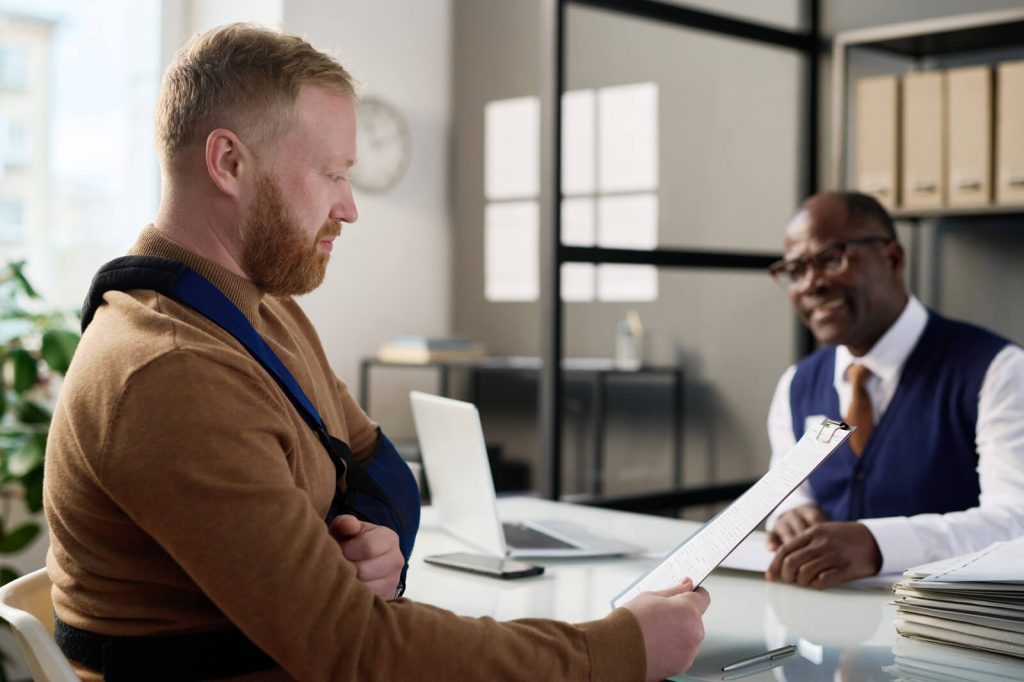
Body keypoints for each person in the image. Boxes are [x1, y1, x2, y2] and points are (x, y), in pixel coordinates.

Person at [42, 23, 709, 682]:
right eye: (332, 173)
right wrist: (617, 651)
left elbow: (374, 457)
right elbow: (356, 651)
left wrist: (377, 536)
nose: (350, 207)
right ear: (228, 162)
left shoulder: (267, 315)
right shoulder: (170, 372)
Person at [763, 191, 1024, 589]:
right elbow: (789, 494)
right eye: (795, 270)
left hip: (947, 629)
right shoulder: (796, 384)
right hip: (823, 625)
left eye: (831, 258)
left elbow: (1016, 522)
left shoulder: (997, 371)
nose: (812, 283)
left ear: (893, 259)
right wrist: (791, 512)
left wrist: (878, 544)